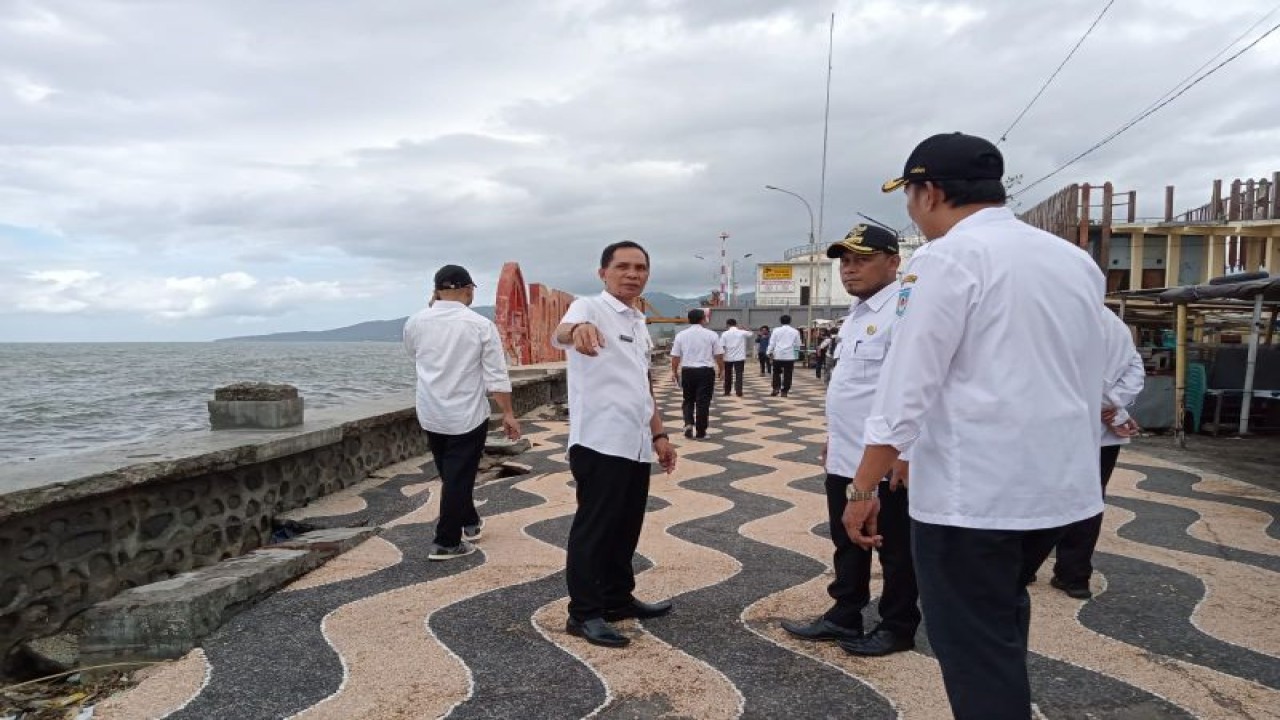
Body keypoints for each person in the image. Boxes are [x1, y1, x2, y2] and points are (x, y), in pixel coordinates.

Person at [842, 132, 1107, 719]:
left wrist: (862, 487)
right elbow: (1095, 367)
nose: (910, 208)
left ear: (930, 192)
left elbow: (907, 384)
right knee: (1001, 620)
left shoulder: (947, 258)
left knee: (973, 648)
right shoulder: (1073, 260)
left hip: (975, 494)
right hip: (1058, 486)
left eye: (909, 195)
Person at [781, 224, 920, 657]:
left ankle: (897, 626)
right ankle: (845, 613)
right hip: (847, 453)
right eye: (845, 261)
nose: (849, 269)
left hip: (887, 457)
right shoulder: (858, 314)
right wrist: (834, 437)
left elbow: (917, 389)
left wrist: (907, 453)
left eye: (862, 260)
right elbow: (854, 389)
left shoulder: (906, 309)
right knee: (847, 538)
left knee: (895, 547)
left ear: (893, 262)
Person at [551, 240, 678, 649]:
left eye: (640, 268)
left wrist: (659, 434)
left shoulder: (638, 321)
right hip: (599, 441)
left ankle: (618, 599)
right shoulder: (588, 307)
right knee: (595, 530)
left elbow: (642, 384)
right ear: (603, 272)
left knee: (626, 527)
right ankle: (584, 613)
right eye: (622, 266)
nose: (632, 274)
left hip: (635, 442)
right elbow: (562, 333)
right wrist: (578, 331)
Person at [403, 264, 522, 561]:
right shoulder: (479, 325)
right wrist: (508, 413)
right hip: (467, 414)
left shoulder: (415, 322)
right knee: (458, 477)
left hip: (430, 411)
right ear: (468, 290)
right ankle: (446, 541)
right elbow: (496, 375)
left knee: (452, 474)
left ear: (436, 291)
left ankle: (469, 521)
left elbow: (414, 354)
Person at [1045, 308, 1145, 599]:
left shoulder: (1057, 315)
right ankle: (1074, 575)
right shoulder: (1115, 324)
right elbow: (1135, 370)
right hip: (1102, 434)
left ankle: (1025, 568)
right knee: (1090, 500)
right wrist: (1111, 404)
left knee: (1041, 495)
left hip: (1056, 428)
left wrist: (1098, 405)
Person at [670, 308, 724, 439]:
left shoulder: (681, 335)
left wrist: (674, 372)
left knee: (688, 400)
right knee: (703, 402)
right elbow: (719, 355)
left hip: (687, 371)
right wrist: (722, 369)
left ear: (689, 320)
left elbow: (675, 356)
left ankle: (688, 423)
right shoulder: (711, 334)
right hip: (705, 372)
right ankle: (701, 432)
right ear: (703, 319)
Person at [767, 315, 801, 397]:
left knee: (776, 372)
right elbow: (798, 344)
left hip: (778, 355)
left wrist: (769, 352)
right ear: (790, 321)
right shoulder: (795, 331)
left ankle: (776, 388)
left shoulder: (776, 330)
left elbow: (772, 343)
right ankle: (785, 391)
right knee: (788, 374)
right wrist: (796, 355)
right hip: (789, 356)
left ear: (780, 321)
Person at [718, 318, 754, 397]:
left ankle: (727, 391)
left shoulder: (725, 333)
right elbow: (751, 334)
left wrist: (721, 356)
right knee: (739, 374)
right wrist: (745, 328)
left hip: (728, 357)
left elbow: (722, 346)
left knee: (728, 375)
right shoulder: (741, 332)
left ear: (727, 324)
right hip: (739, 358)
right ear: (736, 324)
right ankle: (739, 391)